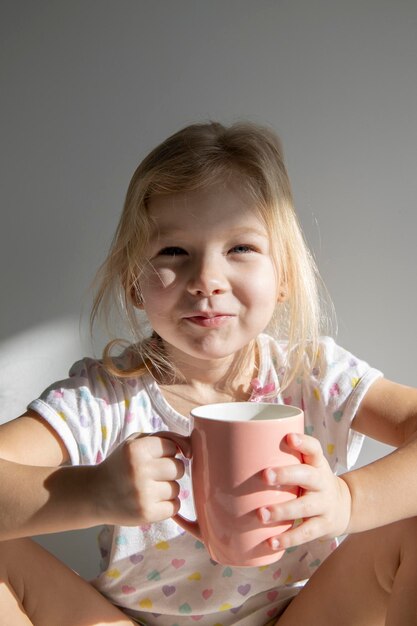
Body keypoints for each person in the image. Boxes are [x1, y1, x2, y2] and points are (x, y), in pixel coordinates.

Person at [0, 121, 416, 626]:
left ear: (282, 276)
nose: (207, 281)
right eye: (173, 251)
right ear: (134, 281)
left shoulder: (313, 373)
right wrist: (91, 493)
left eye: (240, 248)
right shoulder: (104, 398)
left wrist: (349, 501)